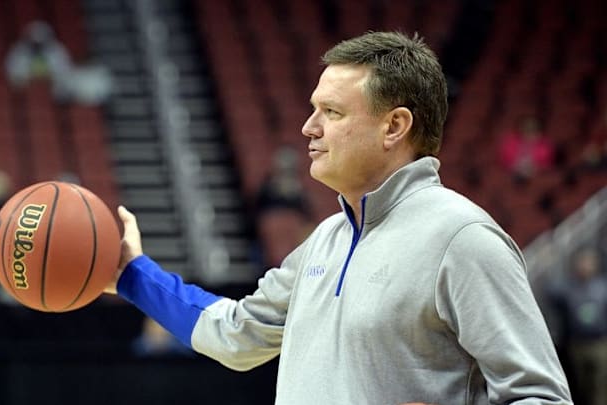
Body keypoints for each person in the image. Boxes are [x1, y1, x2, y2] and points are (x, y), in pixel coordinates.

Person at [105, 32, 572, 404]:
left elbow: (542, 396)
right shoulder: (326, 238)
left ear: (394, 126)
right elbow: (235, 335)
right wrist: (131, 276)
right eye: (314, 110)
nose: (309, 127)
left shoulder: (463, 239)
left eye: (331, 112)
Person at [546, 246, 607, 405]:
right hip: (576, 343)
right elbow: (551, 293)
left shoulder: (603, 287)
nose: (585, 266)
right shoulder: (567, 287)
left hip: (599, 343)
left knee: (600, 382)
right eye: (582, 262)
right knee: (579, 384)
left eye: (589, 262)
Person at [5, 21, 73, 101]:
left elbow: (65, 71)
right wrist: (31, 78)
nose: (38, 46)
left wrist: (47, 78)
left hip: (52, 87)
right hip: (26, 88)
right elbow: (13, 72)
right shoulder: (19, 50)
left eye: (41, 43)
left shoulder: (58, 50)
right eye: (35, 43)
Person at [498, 115, 555, 183]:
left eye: (533, 131)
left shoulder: (545, 147)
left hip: (536, 177)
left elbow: (546, 165)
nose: (529, 136)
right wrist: (515, 167)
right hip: (511, 174)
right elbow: (504, 161)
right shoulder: (510, 142)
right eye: (526, 131)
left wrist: (535, 169)